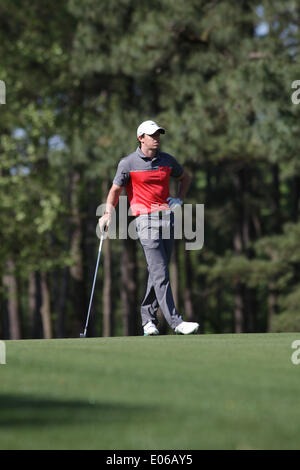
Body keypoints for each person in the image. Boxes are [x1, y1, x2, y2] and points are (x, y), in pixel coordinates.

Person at [99, 120, 199, 336]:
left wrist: (179, 199)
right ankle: (176, 322)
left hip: (167, 218)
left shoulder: (167, 160)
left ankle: (147, 320)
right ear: (141, 138)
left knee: (157, 271)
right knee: (161, 271)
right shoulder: (128, 163)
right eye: (152, 134)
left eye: (158, 134)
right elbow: (115, 191)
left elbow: (185, 177)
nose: (157, 138)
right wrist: (108, 213)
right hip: (144, 220)